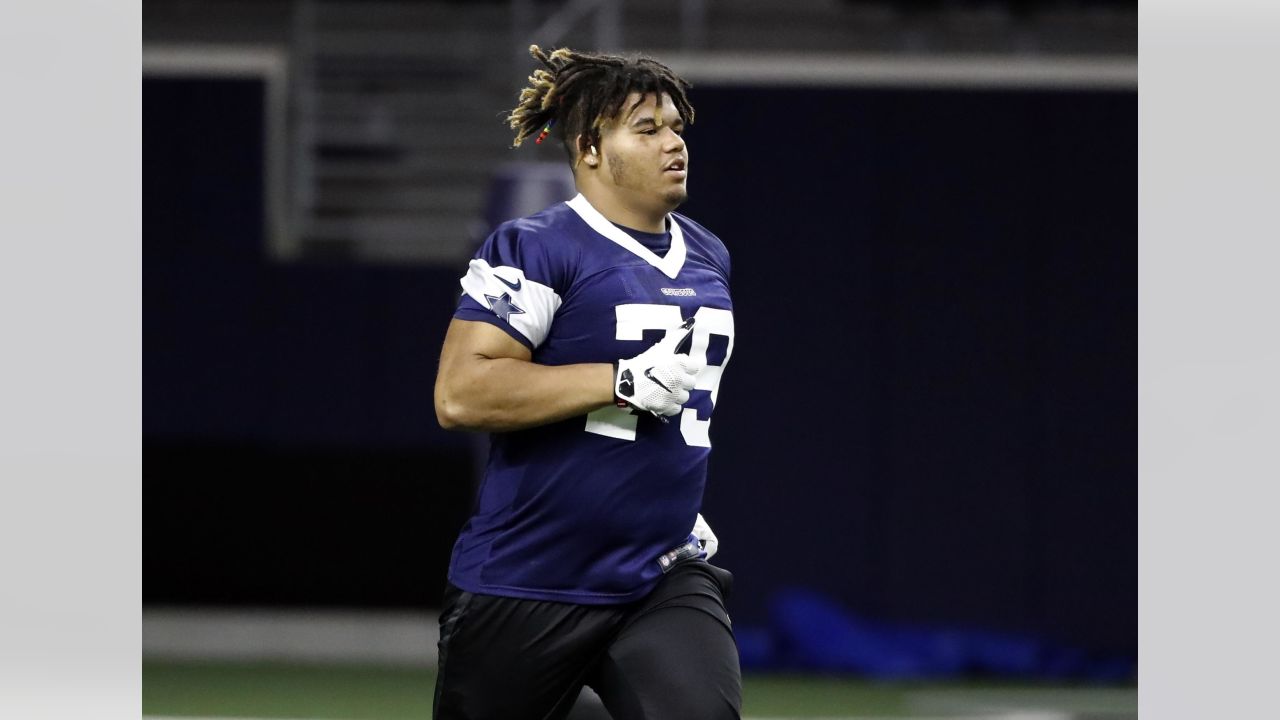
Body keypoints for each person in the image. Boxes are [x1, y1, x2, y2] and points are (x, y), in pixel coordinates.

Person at [432, 45, 740, 720]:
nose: (673, 143)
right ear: (590, 148)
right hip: (530, 577)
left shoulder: (709, 254)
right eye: (647, 128)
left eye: (676, 127)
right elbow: (461, 394)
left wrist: (661, 496)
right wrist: (619, 379)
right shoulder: (538, 247)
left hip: (660, 572)